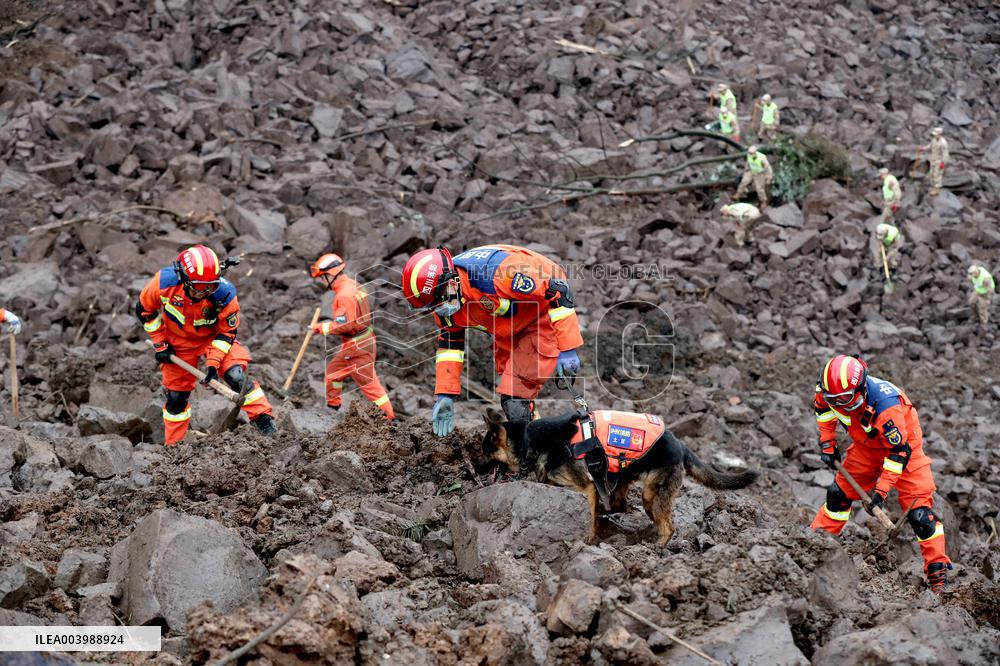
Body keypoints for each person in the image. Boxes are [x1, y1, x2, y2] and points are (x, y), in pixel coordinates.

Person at [400, 245, 584, 452]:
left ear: (452, 282)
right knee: (516, 396)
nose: (438, 310)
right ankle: (538, 444)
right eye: (431, 307)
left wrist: (567, 348)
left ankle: (536, 454)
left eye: (438, 303)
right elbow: (450, 346)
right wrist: (445, 395)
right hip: (508, 324)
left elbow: (558, 290)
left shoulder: (496, 275)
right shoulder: (446, 300)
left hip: (542, 312)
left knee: (514, 398)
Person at [810, 355, 951, 593]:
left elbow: (898, 453)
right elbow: (823, 410)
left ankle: (938, 575)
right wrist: (828, 443)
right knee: (837, 496)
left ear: (861, 389)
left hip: (904, 450)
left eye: (844, 399)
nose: (839, 404)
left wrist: (880, 492)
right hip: (865, 448)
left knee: (920, 516)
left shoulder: (887, 407)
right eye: (834, 399)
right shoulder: (828, 391)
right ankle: (813, 546)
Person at [136, 245, 276, 445]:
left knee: (236, 376)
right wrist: (160, 344)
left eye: (210, 286)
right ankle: (174, 446)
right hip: (178, 342)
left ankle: (265, 421)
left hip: (213, 338)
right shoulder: (163, 283)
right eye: (199, 287)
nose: (204, 293)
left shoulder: (224, 294)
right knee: (176, 398)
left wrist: (213, 364)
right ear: (184, 279)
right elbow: (145, 311)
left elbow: (227, 333)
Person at [310, 253, 394, 419]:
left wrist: (320, 327)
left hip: (356, 347)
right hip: (363, 341)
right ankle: (333, 406)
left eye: (322, 277)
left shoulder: (344, 295)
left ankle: (388, 417)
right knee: (334, 373)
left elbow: (345, 325)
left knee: (369, 385)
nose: (321, 282)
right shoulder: (352, 285)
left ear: (330, 275)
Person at [923, 127, 949, 197]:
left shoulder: (943, 143)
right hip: (933, 160)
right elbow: (930, 146)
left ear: (940, 134)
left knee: (937, 175)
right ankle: (933, 187)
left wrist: (943, 163)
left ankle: (936, 189)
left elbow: (945, 154)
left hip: (939, 161)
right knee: (931, 174)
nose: (935, 136)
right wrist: (923, 148)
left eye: (936, 134)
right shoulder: (934, 140)